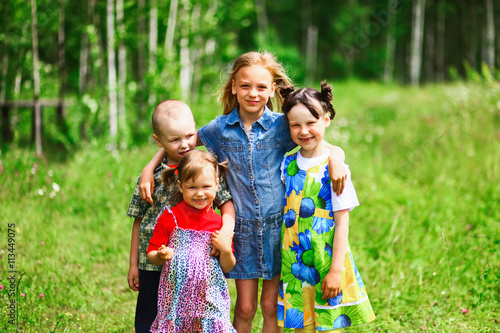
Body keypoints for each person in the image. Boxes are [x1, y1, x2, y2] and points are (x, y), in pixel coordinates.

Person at [139, 51, 347, 333]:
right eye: (245, 86)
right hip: (242, 233)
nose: (253, 93)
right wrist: (149, 167)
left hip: (279, 229)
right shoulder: (220, 128)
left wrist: (337, 158)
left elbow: (316, 140)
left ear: (272, 89)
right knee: (245, 308)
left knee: (271, 305)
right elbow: (182, 142)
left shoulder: (281, 125)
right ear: (234, 86)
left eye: (261, 87)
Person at [126, 100, 235, 333]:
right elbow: (139, 222)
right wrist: (133, 264)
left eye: (189, 136)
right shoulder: (151, 177)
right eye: (175, 140)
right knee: (149, 314)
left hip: (194, 265)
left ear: (195, 129)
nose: (184, 145)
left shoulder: (204, 167)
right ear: (159, 141)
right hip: (152, 259)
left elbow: (226, 204)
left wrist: (225, 235)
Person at [277, 82, 375, 332]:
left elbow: (342, 222)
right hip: (295, 261)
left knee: (328, 324)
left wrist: (335, 271)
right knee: (302, 325)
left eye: (311, 122)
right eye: (295, 125)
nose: (304, 131)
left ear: (326, 120)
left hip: (326, 259)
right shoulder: (286, 163)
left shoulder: (337, 170)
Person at [147, 150, 237, 333]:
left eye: (206, 186)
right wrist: (161, 255)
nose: (200, 194)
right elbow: (152, 254)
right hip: (176, 299)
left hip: (209, 298)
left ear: (217, 185)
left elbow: (227, 267)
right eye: (192, 187)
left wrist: (226, 250)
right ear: (180, 186)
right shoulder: (170, 217)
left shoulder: (219, 224)